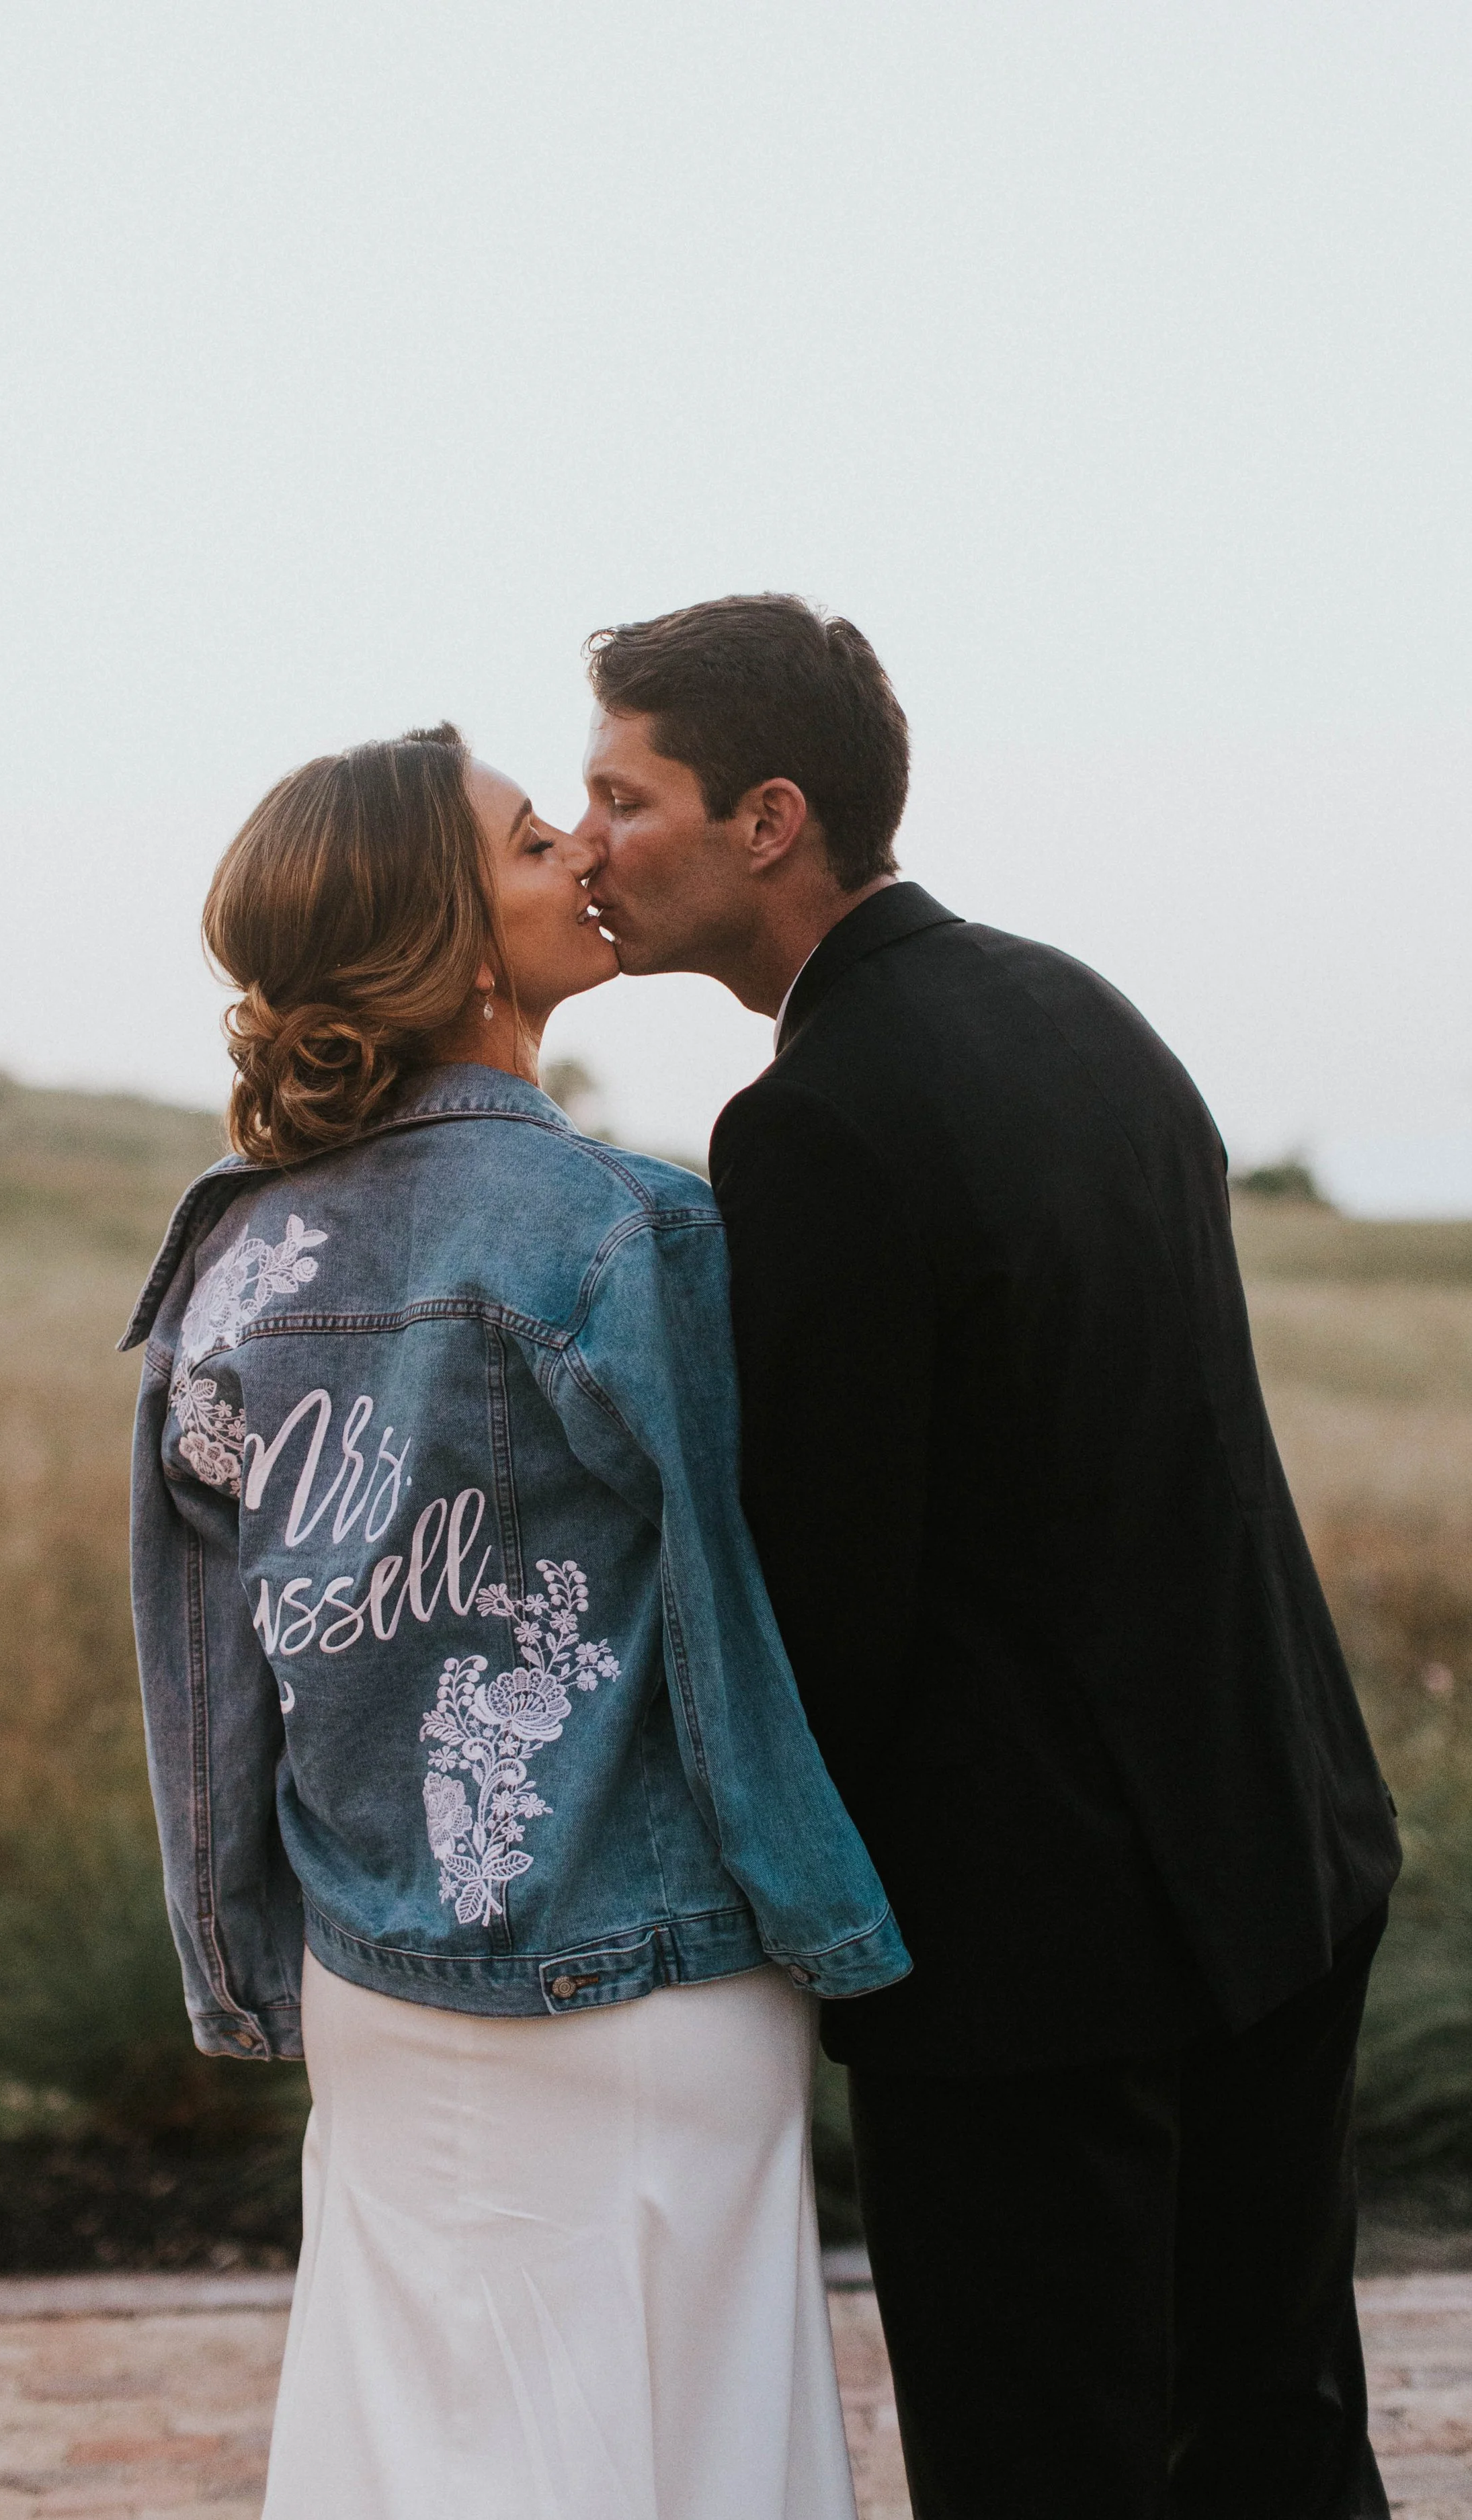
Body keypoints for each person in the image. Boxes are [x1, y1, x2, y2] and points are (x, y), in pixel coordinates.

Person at [573, 595, 1403, 2520]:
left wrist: (776, 1928)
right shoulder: (1077, 1004)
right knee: (1281, 2443)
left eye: (625, 796)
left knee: (1043, 2467)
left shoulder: (814, 1123)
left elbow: (824, 1604)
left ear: (766, 816)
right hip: (1279, 1846)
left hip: (1039, 1959)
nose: (591, 841)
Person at [122, 722, 909, 2520]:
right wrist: (834, 1926)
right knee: (682, 2445)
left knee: (411, 2447)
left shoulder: (226, 1262)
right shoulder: (624, 1229)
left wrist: (240, 1967)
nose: (586, 856)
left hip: (375, 1981)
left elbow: (203, 1679)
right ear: (457, 947)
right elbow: (726, 1624)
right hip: (646, 1973)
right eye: (536, 838)